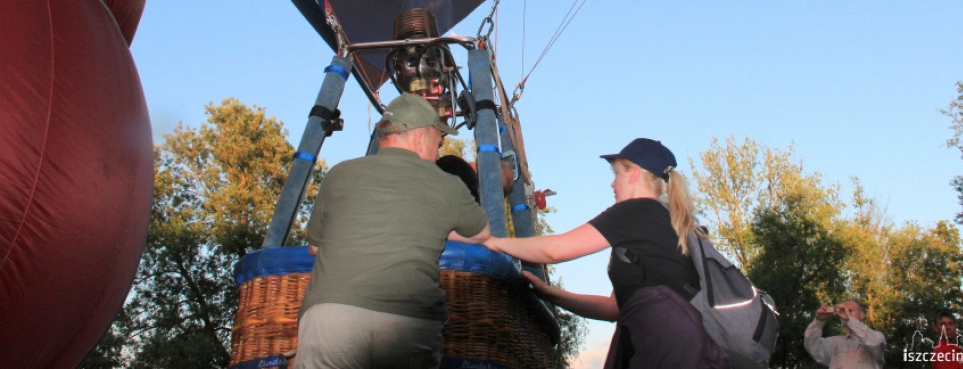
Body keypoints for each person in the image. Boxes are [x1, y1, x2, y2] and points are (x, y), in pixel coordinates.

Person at [484, 137, 728, 369]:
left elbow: (555, 250)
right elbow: (613, 308)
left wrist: (494, 242)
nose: (612, 184)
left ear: (634, 174)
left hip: (668, 350)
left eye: (616, 174)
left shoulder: (637, 211)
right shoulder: (665, 224)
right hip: (686, 350)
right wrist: (550, 293)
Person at [294, 93, 491, 369]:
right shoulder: (447, 184)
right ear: (420, 138)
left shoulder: (339, 173)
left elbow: (315, 247)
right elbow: (481, 234)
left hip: (331, 318)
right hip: (408, 322)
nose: (438, 154)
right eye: (438, 142)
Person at [803, 300, 885, 369]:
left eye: (850, 311)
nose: (846, 313)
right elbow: (812, 346)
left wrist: (851, 320)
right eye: (843, 311)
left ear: (862, 315)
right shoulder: (835, 343)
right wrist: (819, 321)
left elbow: (876, 343)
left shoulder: (877, 337)